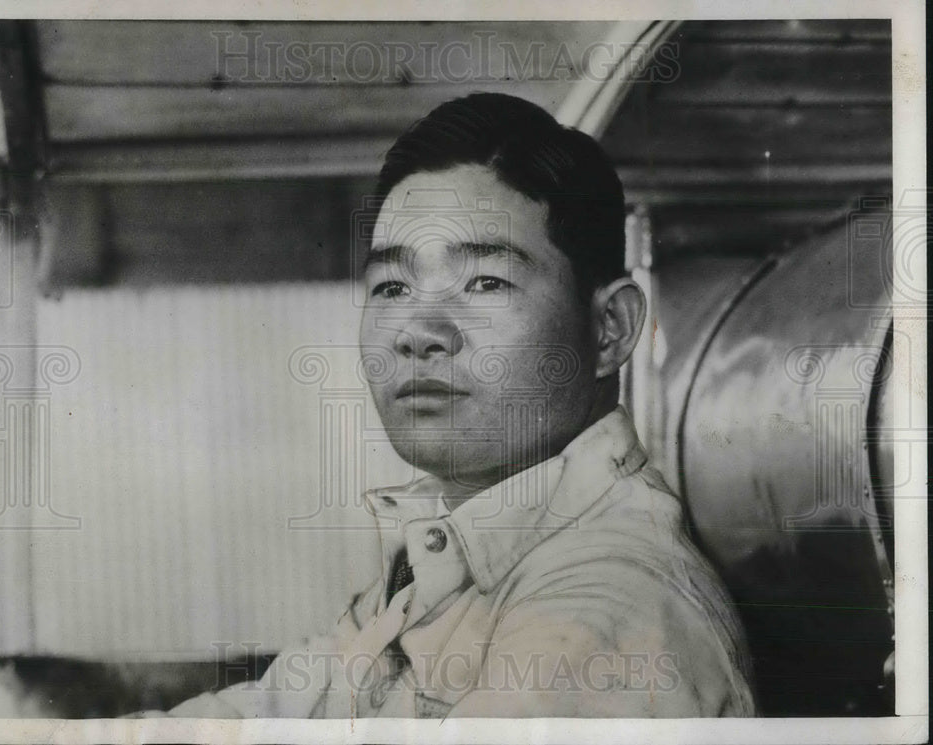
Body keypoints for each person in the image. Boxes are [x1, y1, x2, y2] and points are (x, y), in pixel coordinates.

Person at [141, 93, 756, 718]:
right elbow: (270, 715)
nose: (417, 330)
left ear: (610, 329)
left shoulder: (603, 616)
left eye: (485, 282)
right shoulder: (452, 548)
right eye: (392, 286)